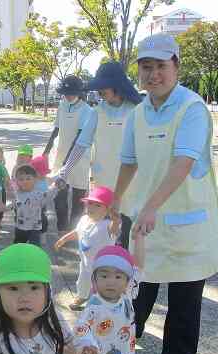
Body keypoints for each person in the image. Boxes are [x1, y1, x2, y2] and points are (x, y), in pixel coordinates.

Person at [113, 33, 218, 354]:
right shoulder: (138, 113)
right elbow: (129, 162)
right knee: (134, 293)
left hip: (186, 225)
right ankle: (120, 349)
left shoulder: (192, 108)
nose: (153, 75)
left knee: (184, 303)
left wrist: (152, 205)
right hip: (143, 222)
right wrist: (115, 203)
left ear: (177, 66)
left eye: (161, 66)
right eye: (146, 67)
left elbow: (183, 162)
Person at [57, 61, 142, 249]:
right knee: (105, 234)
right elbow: (81, 144)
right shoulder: (97, 112)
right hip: (104, 182)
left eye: (104, 88)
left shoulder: (137, 110)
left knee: (127, 232)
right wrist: (64, 171)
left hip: (132, 182)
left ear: (117, 86)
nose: (100, 92)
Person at [54, 186, 120, 311]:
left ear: (108, 210)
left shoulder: (107, 225)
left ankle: (101, 303)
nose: (91, 208)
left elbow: (114, 229)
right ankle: (82, 296)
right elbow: (77, 231)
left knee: (100, 284)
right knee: (83, 280)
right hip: (85, 260)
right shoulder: (84, 219)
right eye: (90, 203)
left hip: (102, 265)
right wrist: (64, 239)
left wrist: (115, 221)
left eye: (98, 205)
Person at [43, 76, 93, 231]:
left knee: (79, 195)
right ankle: (62, 226)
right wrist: (46, 151)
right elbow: (56, 129)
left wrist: (68, 162)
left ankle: (75, 228)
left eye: (71, 92)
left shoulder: (87, 110)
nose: (68, 95)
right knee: (59, 192)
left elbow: (80, 137)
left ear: (79, 92)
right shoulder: (62, 105)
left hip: (79, 157)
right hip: (60, 155)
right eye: (65, 92)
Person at [13, 164, 56, 246]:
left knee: (34, 247)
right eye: (21, 179)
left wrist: (56, 187)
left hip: (35, 228)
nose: (25, 181)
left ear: (35, 180)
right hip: (20, 227)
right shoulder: (16, 194)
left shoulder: (38, 194)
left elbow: (48, 196)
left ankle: (34, 258)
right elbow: (12, 205)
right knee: (18, 247)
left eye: (28, 178)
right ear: (17, 181)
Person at [31, 154, 51, 234]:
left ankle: (43, 233)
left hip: (42, 204)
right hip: (32, 204)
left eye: (45, 173)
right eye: (41, 173)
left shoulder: (44, 180)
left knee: (43, 219)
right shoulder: (32, 180)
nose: (44, 175)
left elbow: (47, 192)